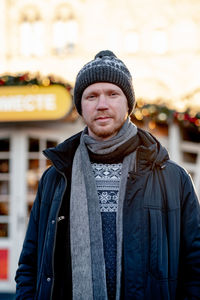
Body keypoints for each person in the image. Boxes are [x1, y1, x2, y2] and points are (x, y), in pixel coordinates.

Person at [15, 50, 200, 300]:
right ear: (81, 106)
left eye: (113, 94)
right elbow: (30, 263)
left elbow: (195, 264)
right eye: (91, 96)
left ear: (128, 104)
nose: (102, 104)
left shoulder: (171, 178)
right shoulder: (56, 178)